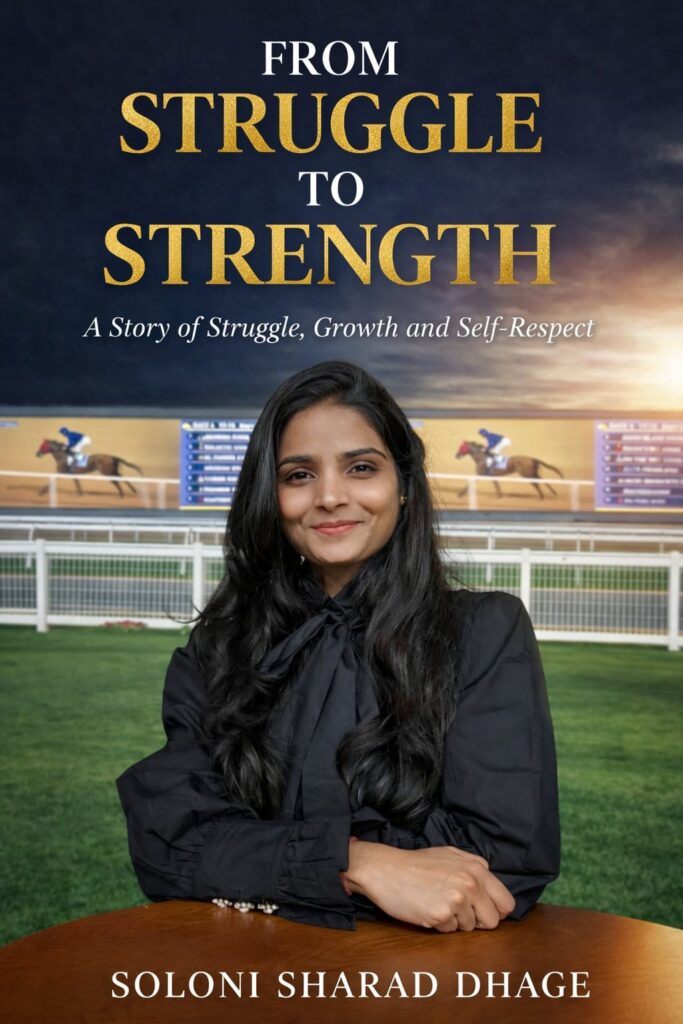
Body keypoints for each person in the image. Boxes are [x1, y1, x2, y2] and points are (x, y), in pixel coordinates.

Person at [117, 362, 560, 932]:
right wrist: (356, 864)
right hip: (246, 970)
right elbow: (167, 845)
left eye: (361, 468)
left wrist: (254, 859)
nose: (329, 496)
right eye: (299, 475)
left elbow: (499, 862)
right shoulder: (221, 645)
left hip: (417, 977)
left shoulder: (484, 632)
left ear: (403, 485)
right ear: (270, 495)